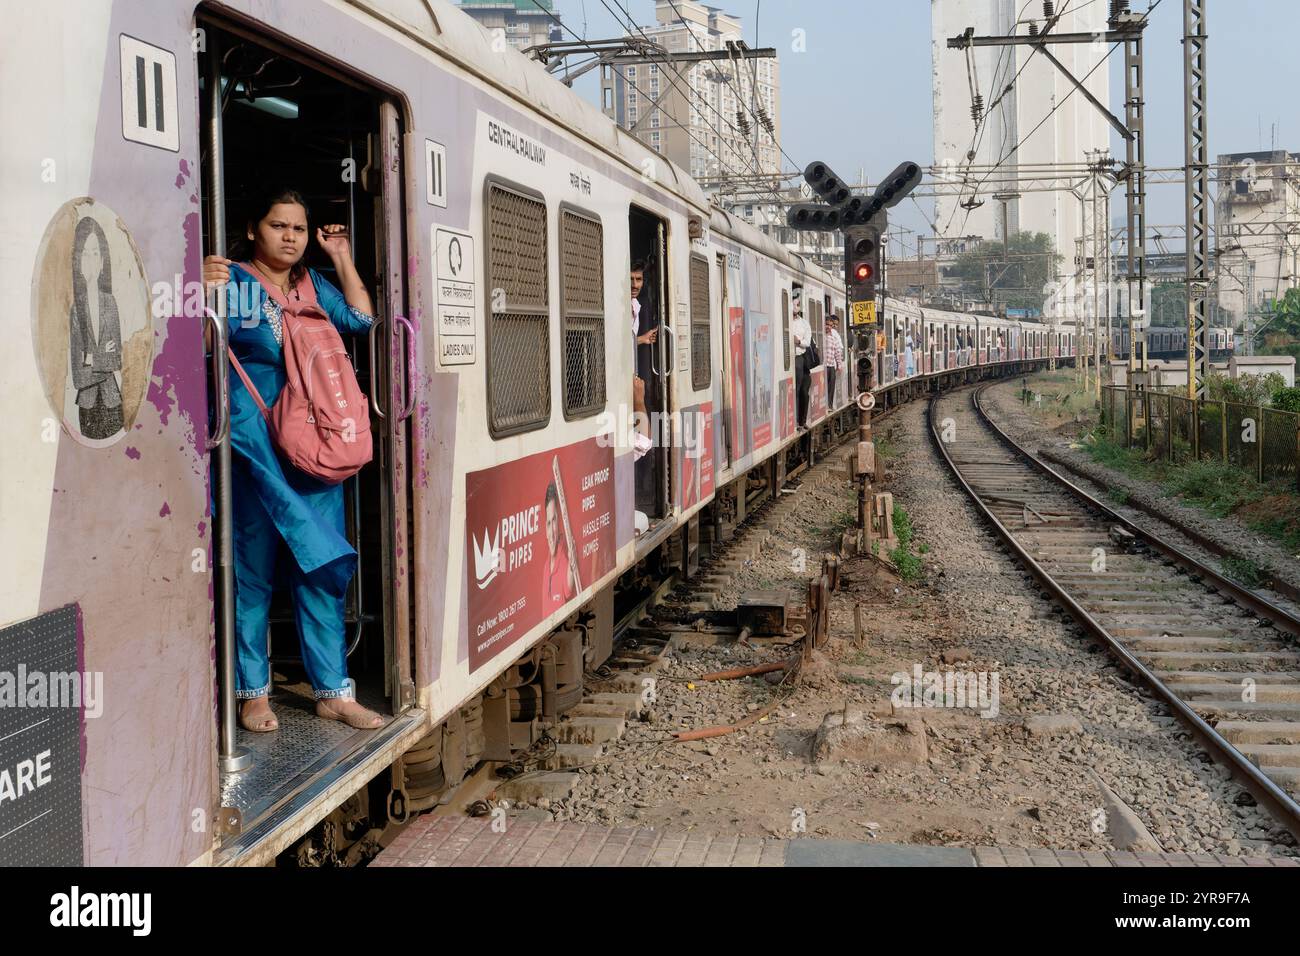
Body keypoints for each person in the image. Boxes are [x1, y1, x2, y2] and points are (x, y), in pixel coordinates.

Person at [203, 187, 385, 734]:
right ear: (253, 229)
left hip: (315, 449)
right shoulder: (233, 282)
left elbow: (360, 319)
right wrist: (199, 287)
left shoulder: (312, 283)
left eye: (299, 229)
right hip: (256, 448)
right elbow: (197, 341)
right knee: (252, 572)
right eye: (278, 226)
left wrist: (342, 257)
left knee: (320, 567)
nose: (290, 237)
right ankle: (253, 693)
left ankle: (333, 690)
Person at [69, 217, 125, 440]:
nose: (90, 260)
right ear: (78, 261)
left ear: (102, 261)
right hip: (87, 406)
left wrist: (90, 358)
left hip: (112, 400)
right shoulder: (76, 309)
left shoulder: (110, 302)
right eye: (85, 253)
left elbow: (116, 360)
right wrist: (103, 359)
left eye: (95, 253)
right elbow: (78, 378)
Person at [630, 259, 655, 461]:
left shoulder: (636, 306)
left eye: (638, 279)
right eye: (630, 279)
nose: (635, 285)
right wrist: (639, 401)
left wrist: (641, 339)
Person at [542, 482, 577, 614]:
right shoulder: (546, 567)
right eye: (549, 523)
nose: (551, 532)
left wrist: (571, 566)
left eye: (555, 520)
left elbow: (568, 590)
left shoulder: (564, 558)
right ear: (545, 529)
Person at [792, 302, 812, 427]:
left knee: (802, 390)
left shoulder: (804, 323)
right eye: (794, 304)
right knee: (795, 390)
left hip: (799, 357)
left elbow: (807, 342)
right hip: (788, 358)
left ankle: (801, 420)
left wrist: (798, 341)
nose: (795, 306)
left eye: (798, 304)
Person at [824, 314, 845, 409]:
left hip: (831, 365)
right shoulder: (822, 336)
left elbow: (837, 351)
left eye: (831, 326)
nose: (829, 327)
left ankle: (829, 405)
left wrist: (839, 365)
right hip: (824, 365)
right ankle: (825, 405)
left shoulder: (833, 337)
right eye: (827, 325)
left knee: (831, 386)